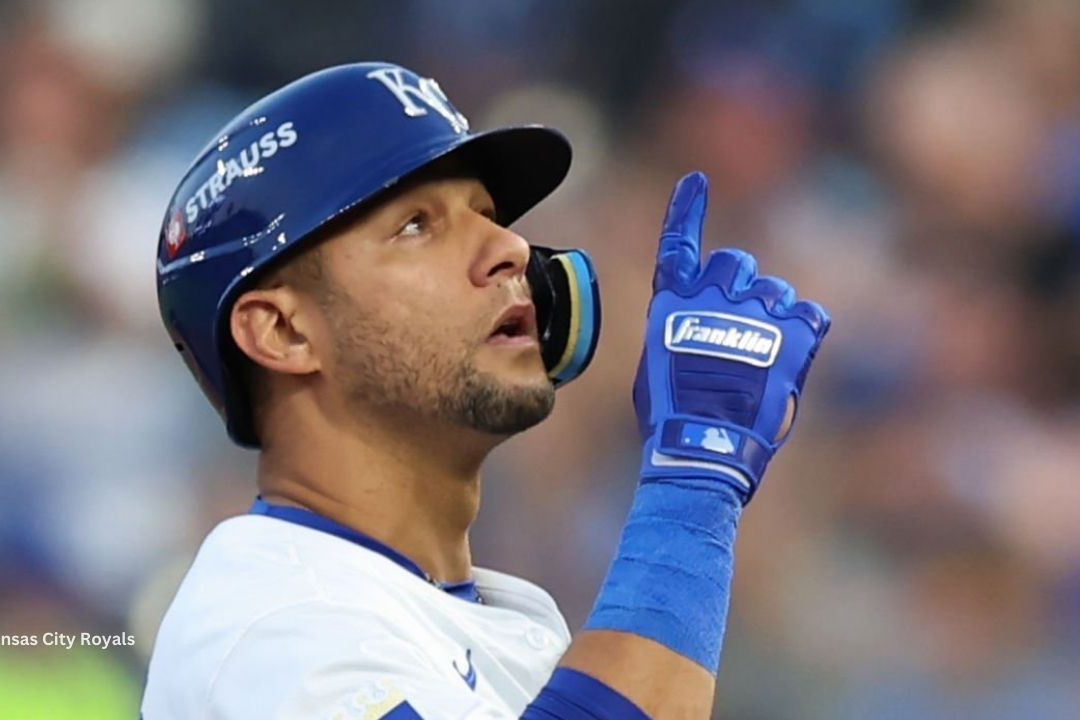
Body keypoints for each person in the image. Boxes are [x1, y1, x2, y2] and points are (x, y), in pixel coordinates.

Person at [141, 62, 829, 719]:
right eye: (416, 225)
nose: (513, 249)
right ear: (283, 331)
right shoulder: (268, 625)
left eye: (486, 212)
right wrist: (694, 483)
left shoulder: (499, 616)